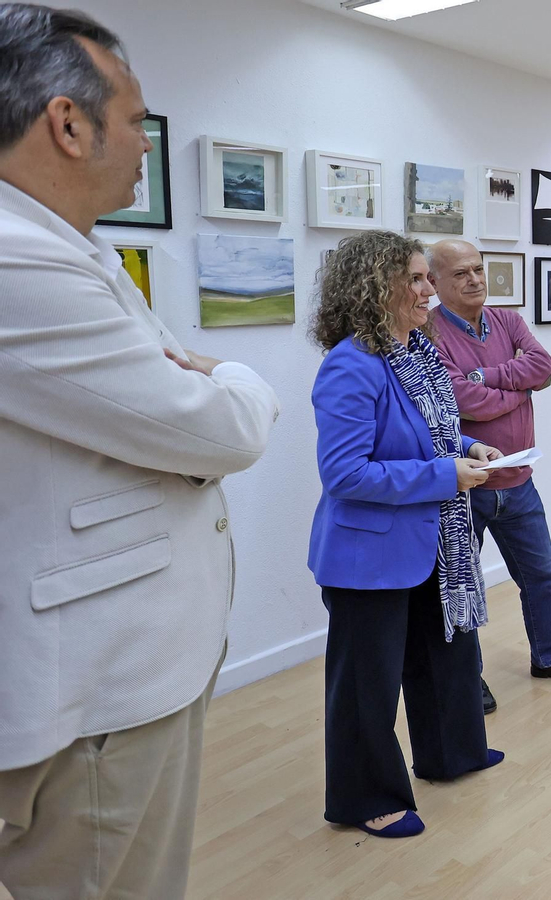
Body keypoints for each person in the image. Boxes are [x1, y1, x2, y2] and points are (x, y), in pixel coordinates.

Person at [0, 7, 280, 896]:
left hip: (123, 676)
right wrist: (236, 374)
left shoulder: (74, 250)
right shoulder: (15, 260)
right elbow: (220, 426)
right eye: (135, 119)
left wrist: (192, 402)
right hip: (95, 698)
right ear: (68, 123)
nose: (148, 143)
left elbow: (170, 413)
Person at [308, 231, 505, 839]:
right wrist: (446, 474)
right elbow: (344, 473)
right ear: (375, 288)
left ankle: (453, 754)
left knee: (443, 655)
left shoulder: (417, 351)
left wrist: (468, 447)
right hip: (369, 552)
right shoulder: (350, 364)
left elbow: (432, 432)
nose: (429, 291)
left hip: (429, 540)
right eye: (416, 280)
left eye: (427, 278)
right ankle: (366, 797)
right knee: (367, 685)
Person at [427, 239, 551, 718]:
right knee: (465, 585)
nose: (475, 279)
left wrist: (485, 375)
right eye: (460, 274)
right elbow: (459, 400)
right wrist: (517, 391)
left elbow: (542, 366)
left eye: (478, 270)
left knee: (541, 574)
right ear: (436, 282)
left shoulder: (508, 319)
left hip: (519, 479)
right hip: (467, 484)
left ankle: (549, 656)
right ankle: (467, 675)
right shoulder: (431, 332)